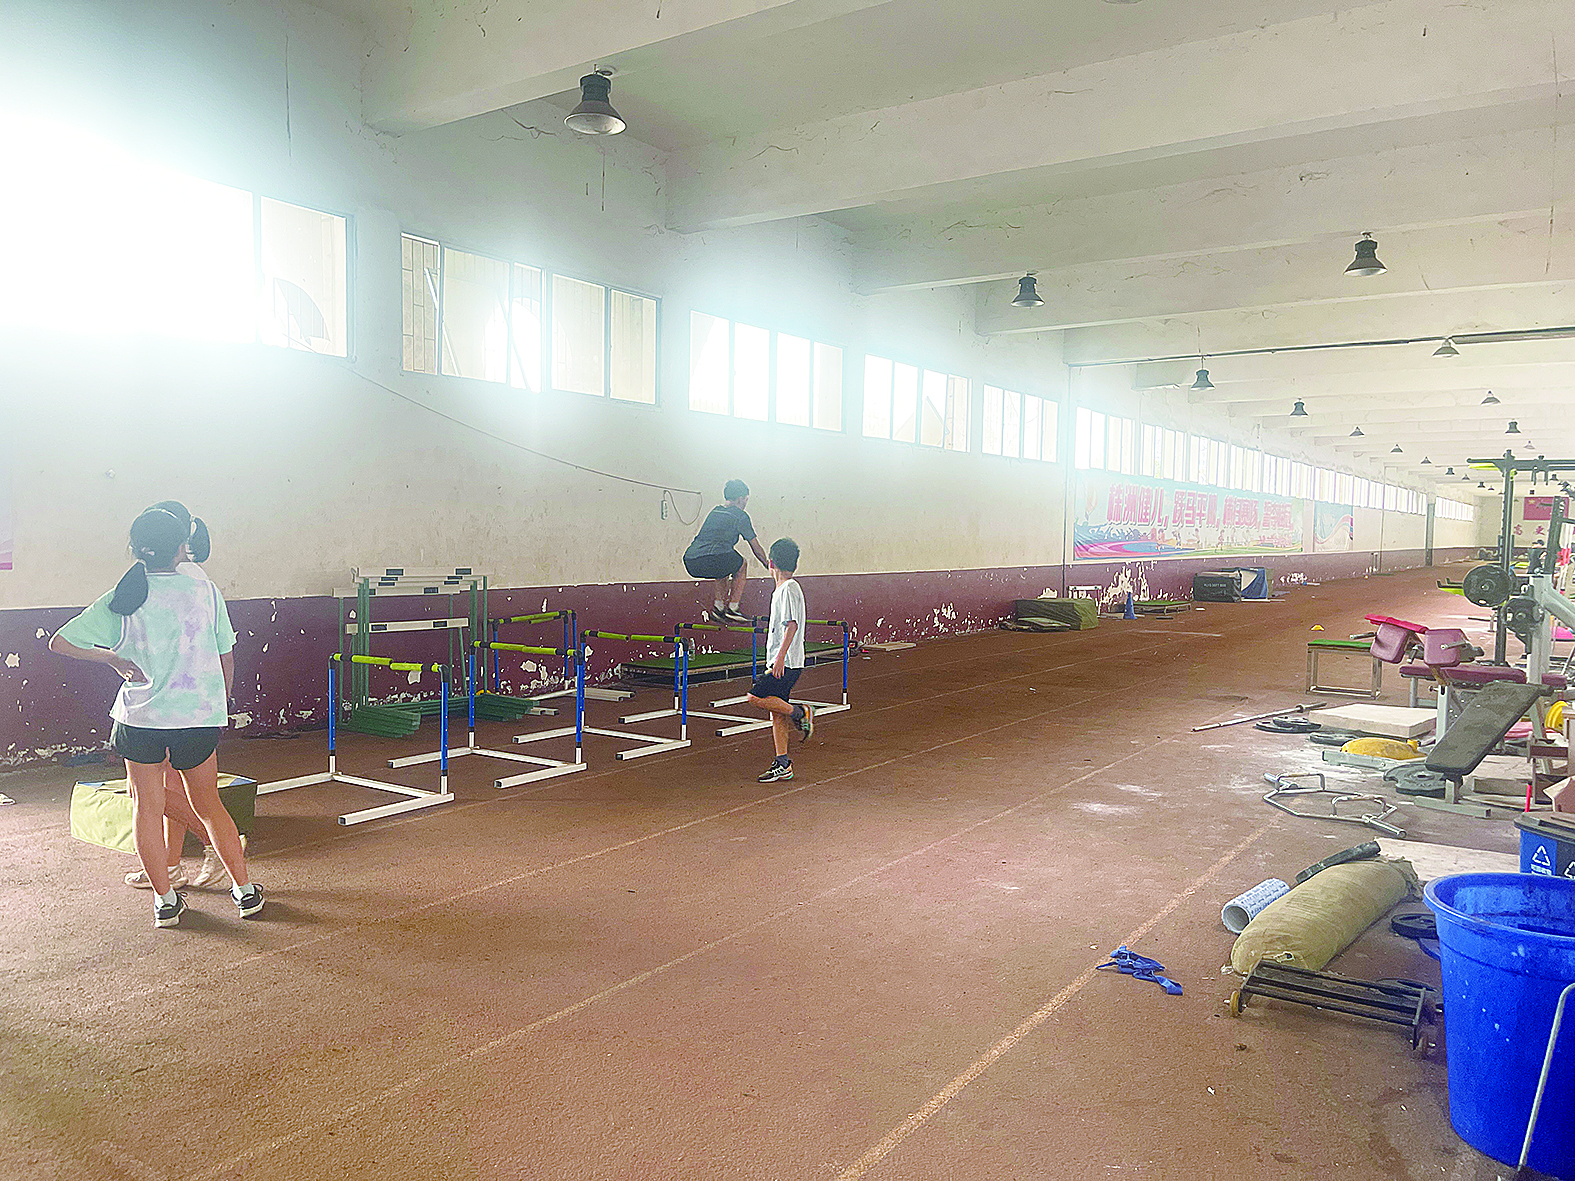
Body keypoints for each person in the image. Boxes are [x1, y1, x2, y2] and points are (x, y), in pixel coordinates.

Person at [50, 506, 262, 928]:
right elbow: (226, 654)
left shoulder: (124, 595)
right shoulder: (205, 591)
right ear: (183, 546)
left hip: (140, 719)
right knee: (209, 805)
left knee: (146, 808)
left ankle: (165, 902)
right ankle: (244, 892)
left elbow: (60, 642)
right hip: (196, 719)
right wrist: (220, 705)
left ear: (135, 548)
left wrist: (113, 659)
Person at [118, 501, 240, 892]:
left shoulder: (184, 576)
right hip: (176, 704)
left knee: (154, 794)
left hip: (172, 706)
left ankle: (214, 844)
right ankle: (171, 864)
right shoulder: (181, 574)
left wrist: (217, 705)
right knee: (168, 790)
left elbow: (216, 650)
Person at [746, 537, 814, 782]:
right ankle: (783, 763)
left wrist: (780, 658)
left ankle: (800, 712)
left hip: (786, 662)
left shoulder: (788, 589)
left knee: (755, 697)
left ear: (771, 563)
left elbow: (791, 626)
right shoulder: (784, 589)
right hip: (784, 660)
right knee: (776, 712)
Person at [683, 479, 769, 625]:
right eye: (746, 499)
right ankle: (733, 609)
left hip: (691, 560)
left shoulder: (715, 511)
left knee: (722, 566)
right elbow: (755, 547)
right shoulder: (740, 516)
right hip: (715, 557)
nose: (745, 503)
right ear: (740, 499)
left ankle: (718, 608)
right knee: (741, 563)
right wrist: (768, 564)